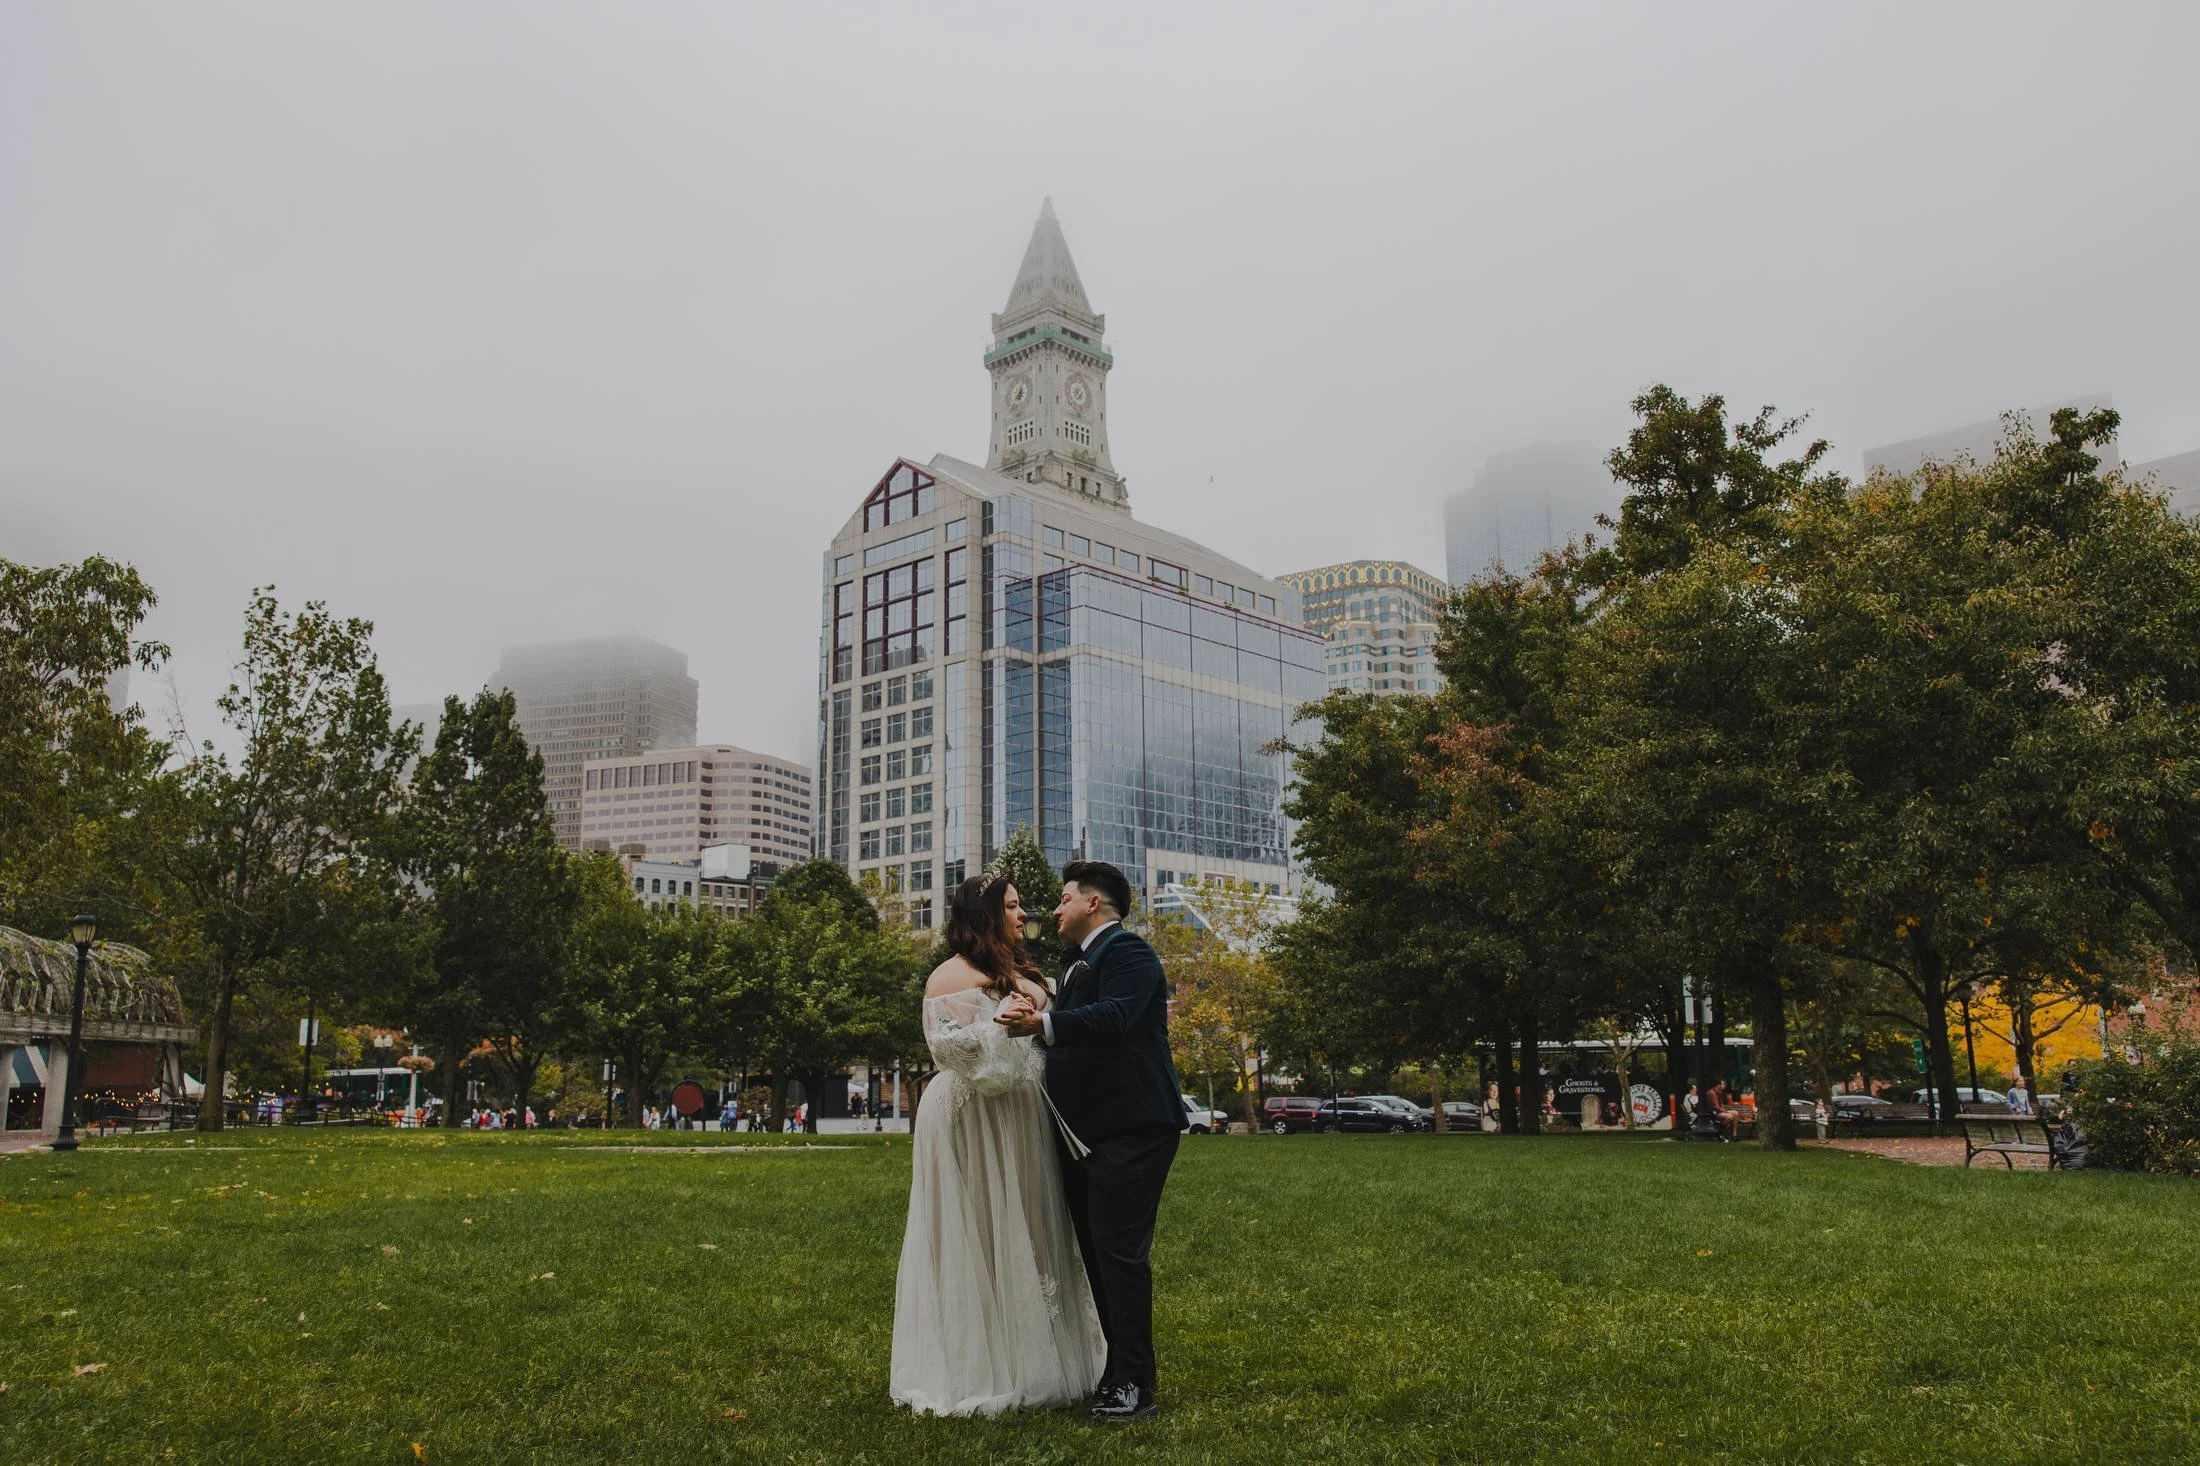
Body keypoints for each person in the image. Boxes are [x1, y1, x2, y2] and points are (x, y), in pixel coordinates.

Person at [890, 873, 1105, 1417]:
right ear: (985, 914)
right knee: (979, 1226)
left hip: (1022, 1114)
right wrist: (1000, 1028)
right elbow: (952, 1054)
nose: (1021, 914)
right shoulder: (948, 976)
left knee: (1031, 1223)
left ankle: (1038, 1354)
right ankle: (979, 1362)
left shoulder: (1026, 973)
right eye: (1011, 906)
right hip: (971, 1115)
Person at [998, 859, 1183, 1424]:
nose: (1054, 909)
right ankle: (1116, 1370)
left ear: (1093, 903)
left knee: (1120, 1255)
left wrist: (1043, 1025)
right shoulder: (1077, 962)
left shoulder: (1127, 952)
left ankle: (1136, 1385)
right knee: (1100, 1254)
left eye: (1064, 898)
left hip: (1132, 1127)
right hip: (1089, 1133)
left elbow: (1116, 1016)